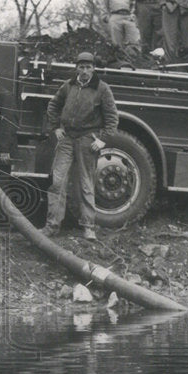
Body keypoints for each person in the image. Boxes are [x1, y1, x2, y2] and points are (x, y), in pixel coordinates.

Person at [43, 52, 118, 241]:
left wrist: (103, 139)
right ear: (76, 68)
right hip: (67, 138)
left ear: (94, 68)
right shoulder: (68, 86)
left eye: (88, 67)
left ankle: (88, 226)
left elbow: (112, 118)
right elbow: (53, 106)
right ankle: (52, 226)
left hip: (87, 140)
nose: (85, 71)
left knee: (86, 184)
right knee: (57, 182)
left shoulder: (102, 89)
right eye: (81, 67)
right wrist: (55, 128)